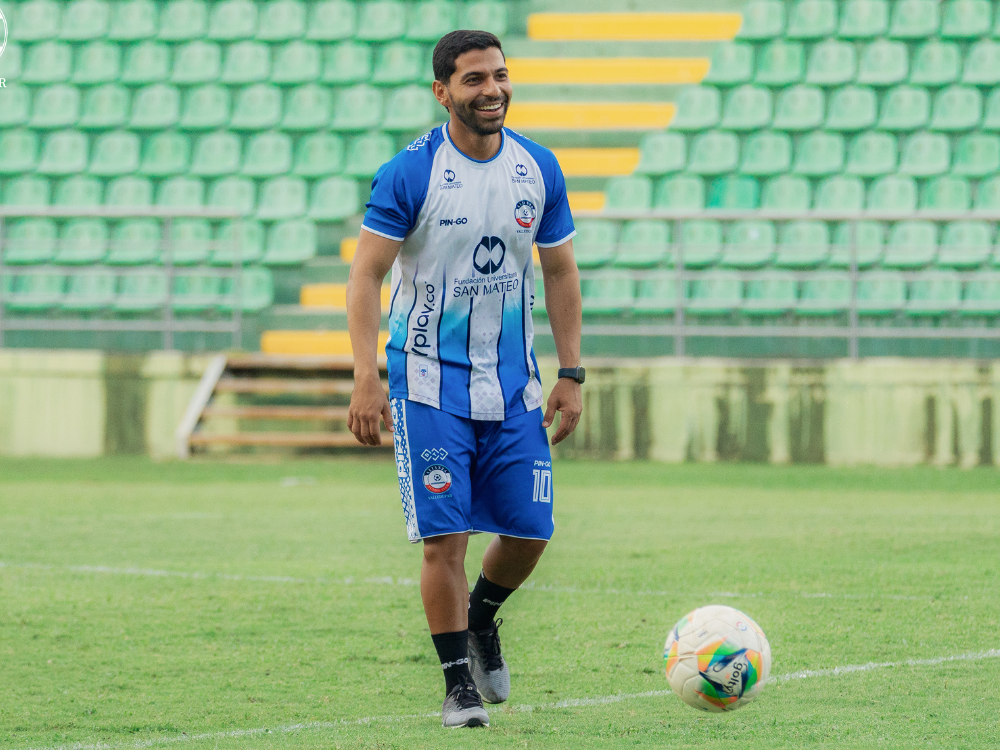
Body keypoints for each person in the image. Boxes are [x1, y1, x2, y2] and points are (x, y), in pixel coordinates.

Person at [346, 29, 584, 729]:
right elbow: (366, 274)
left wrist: (571, 371)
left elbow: (561, 271)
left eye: (500, 76)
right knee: (444, 539)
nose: (493, 91)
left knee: (531, 530)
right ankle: (457, 686)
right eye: (475, 79)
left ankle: (481, 617)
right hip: (426, 385)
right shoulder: (410, 172)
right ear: (442, 91)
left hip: (514, 386)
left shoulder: (538, 168)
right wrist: (367, 375)